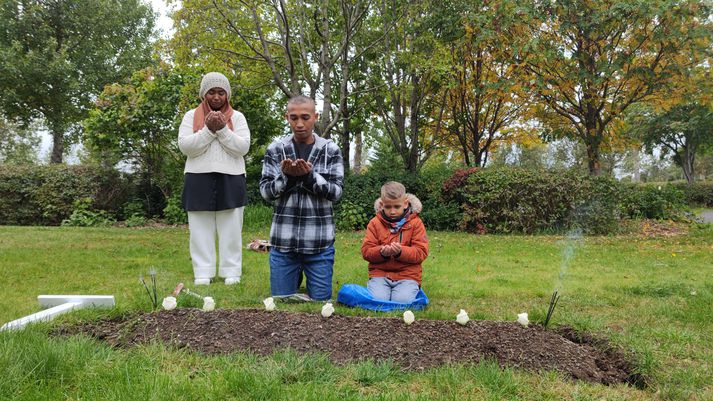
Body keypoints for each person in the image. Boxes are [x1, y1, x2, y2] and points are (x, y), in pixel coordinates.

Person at [259, 95, 344, 301]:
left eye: (305, 117)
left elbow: (336, 193)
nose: (299, 124)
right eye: (294, 118)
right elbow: (265, 193)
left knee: (320, 301)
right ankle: (292, 275)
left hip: (318, 243)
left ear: (315, 117)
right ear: (286, 117)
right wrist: (286, 178)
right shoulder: (276, 150)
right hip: (283, 243)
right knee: (282, 300)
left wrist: (309, 177)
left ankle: (307, 277)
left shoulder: (330, 150)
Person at [178, 72, 251, 286]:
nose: (217, 97)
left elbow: (242, 148)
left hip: (232, 177)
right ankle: (203, 272)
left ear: (227, 95)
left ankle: (231, 272)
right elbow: (186, 147)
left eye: (221, 92)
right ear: (204, 94)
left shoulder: (237, 117)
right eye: (212, 92)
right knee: (200, 228)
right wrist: (209, 130)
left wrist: (222, 129)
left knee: (231, 228)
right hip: (198, 177)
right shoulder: (191, 116)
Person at [361, 181, 429, 303]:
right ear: (382, 205)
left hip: (408, 275)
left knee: (401, 301)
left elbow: (421, 252)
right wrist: (381, 252)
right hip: (380, 274)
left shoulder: (416, 223)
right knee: (378, 301)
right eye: (388, 207)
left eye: (397, 207)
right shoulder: (374, 223)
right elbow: (366, 251)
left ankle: (410, 290)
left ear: (405, 203)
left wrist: (400, 252)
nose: (392, 211)